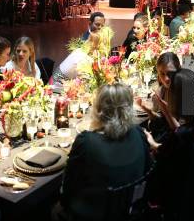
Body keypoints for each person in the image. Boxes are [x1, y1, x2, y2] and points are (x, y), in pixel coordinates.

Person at [53, 83, 151, 221]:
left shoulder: (86, 141)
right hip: (130, 211)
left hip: (92, 215)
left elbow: (68, 187)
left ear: (98, 109)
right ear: (129, 108)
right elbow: (147, 170)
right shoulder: (139, 134)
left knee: (52, 208)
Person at [144, 69, 194, 221]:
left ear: (176, 97)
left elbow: (161, 149)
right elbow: (180, 132)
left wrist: (149, 140)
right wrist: (165, 110)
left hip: (180, 192)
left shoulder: (181, 135)